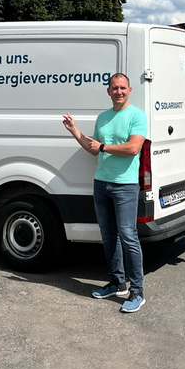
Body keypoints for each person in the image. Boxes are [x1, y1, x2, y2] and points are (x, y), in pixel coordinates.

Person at [62, 73, 148, 313]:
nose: (118, 91)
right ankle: (117, 282)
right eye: (114, 88)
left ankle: (137, 291)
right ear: (108, 91)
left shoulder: (137, 115)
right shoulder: (103, 118)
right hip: (101, 183)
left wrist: (104, 147)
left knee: (128, 236)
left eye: (122, 88)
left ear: (130, 90)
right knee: (109, 236)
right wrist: (74, 131)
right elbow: (93, 149)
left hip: (125, 185)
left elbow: (133, 148)